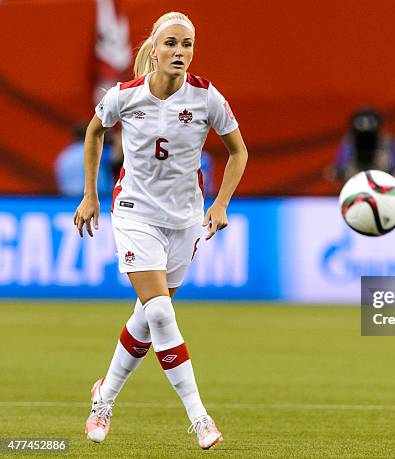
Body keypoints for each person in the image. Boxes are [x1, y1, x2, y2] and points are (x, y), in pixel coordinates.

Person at [73, 11, 248, 450]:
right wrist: (90, 195)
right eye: (171, 43)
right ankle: (200, 418)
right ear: (154, 48)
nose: (180, 52)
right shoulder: (125, 95)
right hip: (134, 213)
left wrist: (221, 203)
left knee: (147, 318)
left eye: (187, 45)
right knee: (161, 313)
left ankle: (103, 397)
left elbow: (238, 151)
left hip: (184, 220)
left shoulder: (207, 98)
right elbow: (94, 132)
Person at [330, 108, 395, 184]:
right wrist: (337, 171)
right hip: (355, 183)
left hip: (381, 183)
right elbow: (337, 168)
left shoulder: (388, 142)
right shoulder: (348, 142)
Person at [55, 124, 114, 196]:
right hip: (100, 200)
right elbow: (118, 157)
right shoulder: (97, 151)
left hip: (68, 200)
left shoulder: (64, 155)